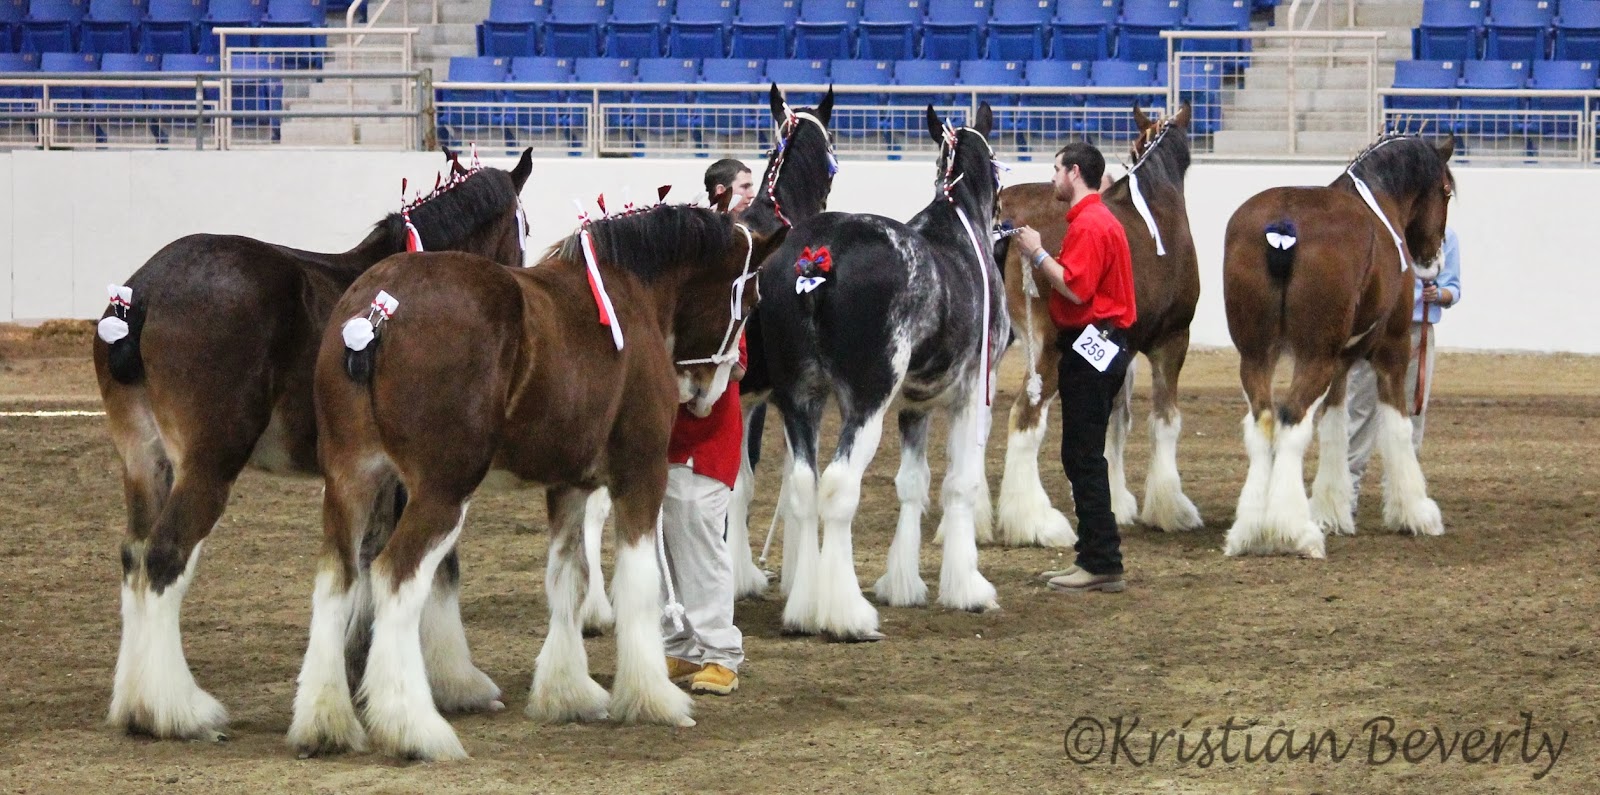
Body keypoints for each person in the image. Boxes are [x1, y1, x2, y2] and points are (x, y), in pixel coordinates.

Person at [1012, 142, 1138, 594]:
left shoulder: (1089, 224)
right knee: (1083, 454)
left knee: (1083, 456)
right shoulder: (1098, 221)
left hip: (1091, 347)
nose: (1052, 178)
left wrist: (1037, 253)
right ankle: (1094, 556)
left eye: (1057, 169)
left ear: (1075, 173)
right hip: (1099, 344)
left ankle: (1101, 560)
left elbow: (1075, 288)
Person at [1346, 225, 1462, 497]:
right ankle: (1347, 488)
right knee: (1360, 408)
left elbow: (1453, 288)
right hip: (1375, 327)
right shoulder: (1377, 230)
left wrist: (1438, 295)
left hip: (1416, 330)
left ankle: (1403, 492)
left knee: (1411, 412)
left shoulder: (1445, 237)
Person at [660, 336, 748, 695]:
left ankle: (720, 653)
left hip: (705, 438)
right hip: (661, 436)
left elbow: (736, 366)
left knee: (698, 537)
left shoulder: (719, 309)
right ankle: (678, 645)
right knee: (660, 544)